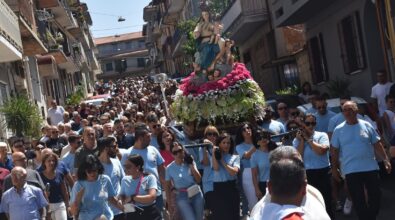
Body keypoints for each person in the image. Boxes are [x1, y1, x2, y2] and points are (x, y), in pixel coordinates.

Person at [331, 101, 392, 220]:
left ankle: (370, 217)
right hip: (351, 170)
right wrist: (334, 168)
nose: (347, 112)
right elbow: (334, 150)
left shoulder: (367, 125)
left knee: (376, 195)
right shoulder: (338, 130)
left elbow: (377, 144)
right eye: (345, 110)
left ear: (356, 111)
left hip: (370, 167)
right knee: (358, 199)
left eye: (350, 109)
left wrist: (385, 159)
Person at [250, 146, 331, 220]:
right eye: (281, 169)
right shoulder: (257, 210)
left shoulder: (315, 195)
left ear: (269, 185)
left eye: (296, 167)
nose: (288, 173)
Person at [293, 114, 333, 218]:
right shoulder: (297, 140)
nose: (311, 126)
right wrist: (302, 140)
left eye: (313, 123)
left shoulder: (322, 135)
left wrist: (308, 139)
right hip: (307, 174)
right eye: (308, 123)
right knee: (310, 204)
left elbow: (321, 151)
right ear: (303, 124)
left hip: (323, 172)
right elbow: (298, 157)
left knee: (327, 202)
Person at [120, 124, 166, 215]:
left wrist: (165, 186)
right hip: (137, 197)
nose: (151, 139)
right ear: (140, 138)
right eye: (148, 137)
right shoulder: (127, 154)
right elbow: (125, 173)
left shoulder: (153, 149)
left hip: (156, 193)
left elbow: (161, 169)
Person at [69, 154, 124, 220]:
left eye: (94, 170)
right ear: (84, 170)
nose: (92, 173)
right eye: (89, 171)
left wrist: (125, 209)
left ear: (98, 168)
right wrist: (77, 200)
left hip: (105, 217)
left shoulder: (105, 179)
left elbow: (111, 199)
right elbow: (73, 212)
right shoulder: (78, 185)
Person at [165, 142, 204, 220]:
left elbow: (199, 180)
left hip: (196, 192)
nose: (178, 154)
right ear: (172, 155)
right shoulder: (169, 168)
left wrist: (191, 166)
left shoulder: (190, 161)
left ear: (183, 150)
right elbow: (167, 187)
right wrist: (169, 205)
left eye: (180, 150)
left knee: (199, 218)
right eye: (175, 152)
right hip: (182, 196)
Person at [120, 154, 161, 220]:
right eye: (125, 166)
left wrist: (133, 197)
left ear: (138, 167)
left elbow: (152, 197)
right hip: (131, 213)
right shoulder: (124, 180)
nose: (126, 169)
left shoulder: (150, 178)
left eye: (129, 166)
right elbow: (122, 198)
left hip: (149, 213)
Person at [211, 133, 240, 220]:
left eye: (228, 143)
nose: (226, 145)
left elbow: (233, 172)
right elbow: (216, 168)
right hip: (219, 187)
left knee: (233, 214)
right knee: (221, 214)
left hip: (231, 186)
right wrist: (214, 153)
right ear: (219, 144)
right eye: (223, 142)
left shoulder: (235, 156)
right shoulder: (215, 156)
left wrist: (222, 161)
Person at [97, 136, 125, 220]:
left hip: (120, 211)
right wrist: (119, 205)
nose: (117, 148)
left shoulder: (116, 162)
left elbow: (123, 182)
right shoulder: (95, 168)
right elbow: (102, 193)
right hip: (105, 214)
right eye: (114, 146)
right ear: (105, 148)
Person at [39, 152, 69, 220]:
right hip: (47, 206)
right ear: (44, 162)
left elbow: (64, 191)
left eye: (53, 161)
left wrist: (67, 204)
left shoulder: (59, 173)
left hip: (59, 204)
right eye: (49, 161)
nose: (51, 163)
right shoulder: (39, 175)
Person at [235, 122, 258, 210]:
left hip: (262, 170)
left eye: (248, 128)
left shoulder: (260, 141)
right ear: (241, 134)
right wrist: (257, 144)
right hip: (248, 173)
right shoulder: (239, 146)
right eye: (244, 130)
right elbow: (247, 156)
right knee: (253, 203)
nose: (247, 130)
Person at [251, 130, 276, 201]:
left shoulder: (276, 152)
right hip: (263, 185)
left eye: (264, 137)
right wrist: (256, 189)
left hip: (277, 183)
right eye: (259, 138)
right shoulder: (254, 155)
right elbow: (254, 175)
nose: (263, 139)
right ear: (257, 142)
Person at [199, 125, 219, 218]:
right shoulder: (202, 148)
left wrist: (213, 147)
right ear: (206, 136)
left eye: (215, 134)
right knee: (213, 209)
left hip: (220, 181)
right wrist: (205, 148)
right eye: (209, 134)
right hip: (209, 183)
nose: (212, 136)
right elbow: (206, 163)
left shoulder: (220, 147)